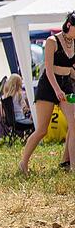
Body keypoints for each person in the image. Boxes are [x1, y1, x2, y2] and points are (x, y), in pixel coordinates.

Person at [20, 12, 75, 174]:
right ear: (69, 25)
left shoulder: (74, 43)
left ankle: (72, 167)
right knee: (42, 130)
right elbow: (48, 69)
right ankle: (23, 163)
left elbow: (70, 70)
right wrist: (57, 90)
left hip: (66, 84)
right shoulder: (52, 41)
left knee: (73, 125)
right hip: (49, 86)